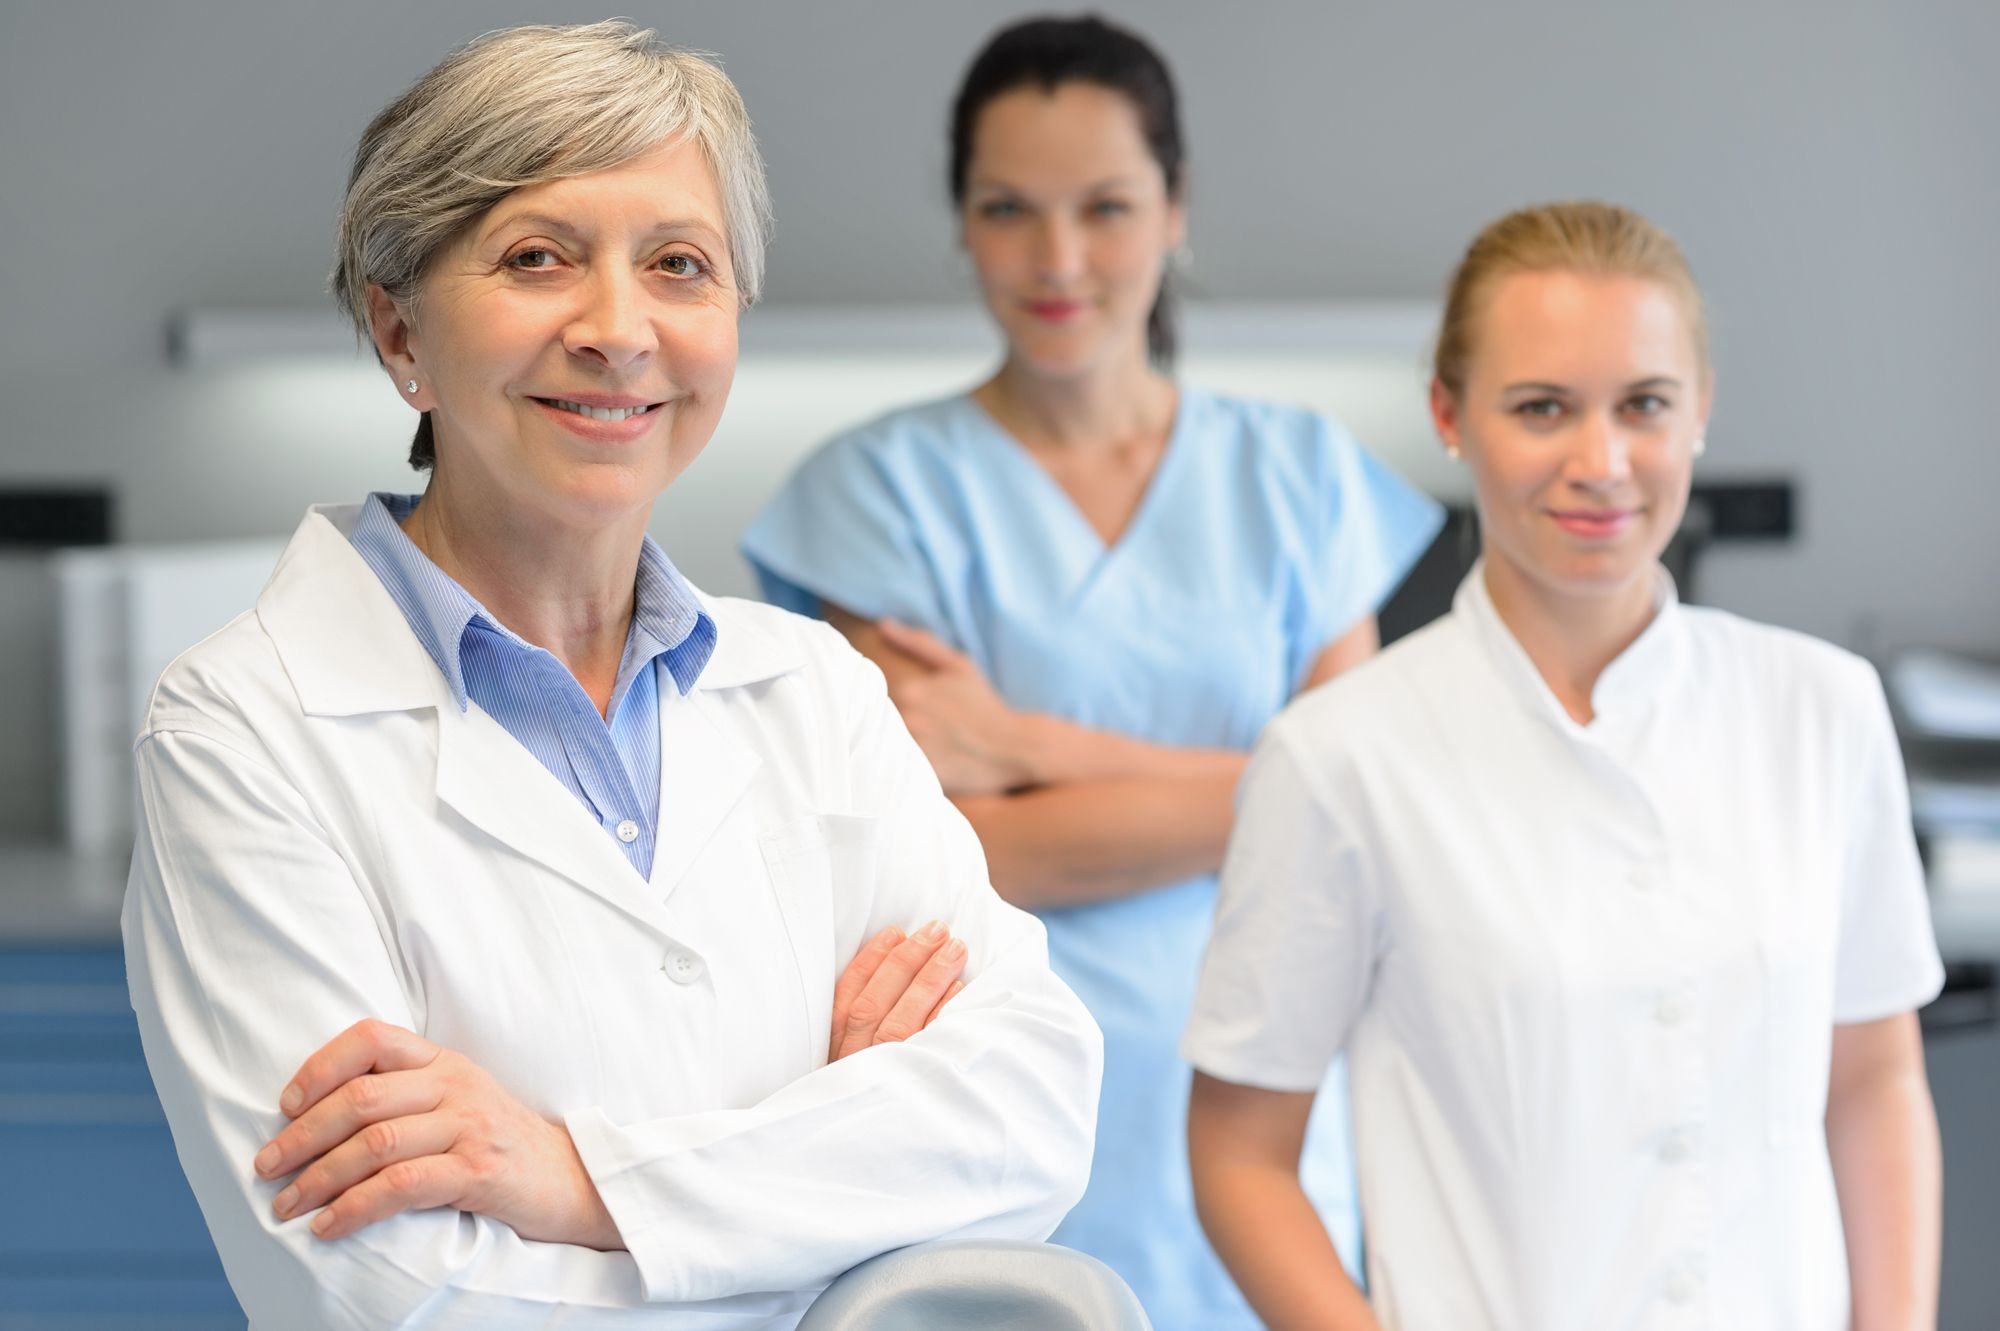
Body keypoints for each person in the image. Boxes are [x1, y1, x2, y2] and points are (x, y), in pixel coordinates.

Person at [121, 23, 1100, 1331]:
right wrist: (838, 1164)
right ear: (398, 324)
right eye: (537, 258)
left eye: (680, 267)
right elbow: (394, 1287)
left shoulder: (813, 688)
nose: (619, 329)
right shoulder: (245, 728)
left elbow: (1032, 1111)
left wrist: (573, 1174)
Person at [739, 16, 1441, 1326]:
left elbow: (1364, 822)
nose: (1058, 260)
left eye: (1106, 207)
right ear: (962, 223)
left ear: (1177, 211)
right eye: (1009, 209)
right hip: (993, 1110)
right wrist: (1273, 788)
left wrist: (1028, 743)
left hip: (1269, 1101)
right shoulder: (879, 495)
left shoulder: (1297, 479)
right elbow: (953, 861)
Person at [1183, 201, 1946, 1331]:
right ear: (1448, 415)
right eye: (1540, 407)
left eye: (1642, 404)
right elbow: (1237, 1153)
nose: (1600, 462)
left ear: (1698, 414)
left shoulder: (1819, 708)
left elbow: (1872, 1074)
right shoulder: (1339, 757)